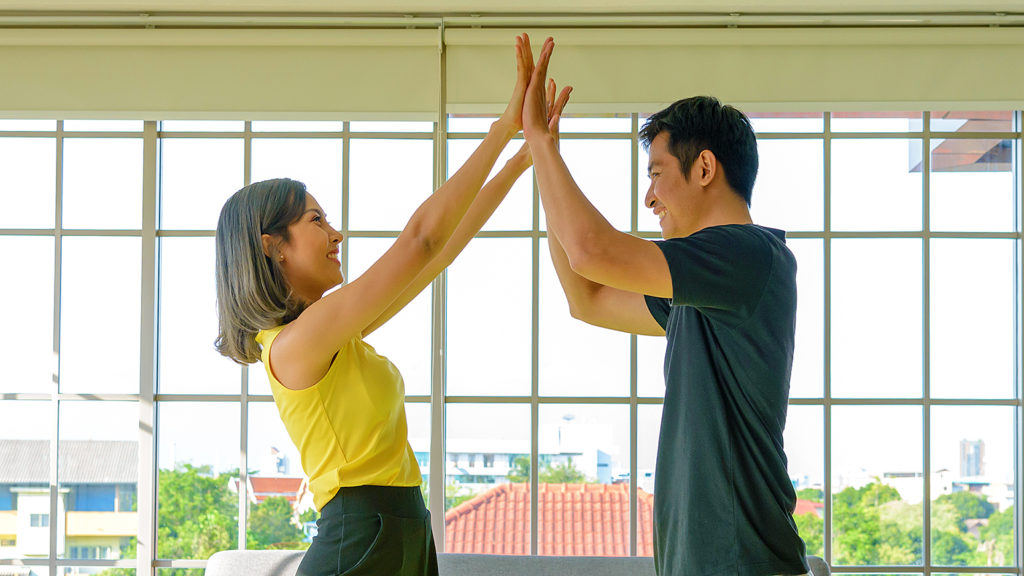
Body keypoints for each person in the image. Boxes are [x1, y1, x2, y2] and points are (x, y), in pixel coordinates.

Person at [214, 34, 569, 576]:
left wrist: (524, 158)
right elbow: (420, 241)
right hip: (360, 537)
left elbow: (439, 250)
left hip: (399, 530)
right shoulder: (296, 346)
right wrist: (502, 127)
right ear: (272, 246)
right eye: (316, 221)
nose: (336, 233)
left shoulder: (332, 334)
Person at [518, 37, 809, 576]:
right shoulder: (700, 288)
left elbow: (592, 252)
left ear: (703, 168)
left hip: (742, 563)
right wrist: (544, 160)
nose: (648, 198)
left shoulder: (746, 255)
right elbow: (590, 298)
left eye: (655, 173)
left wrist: (541, 144)